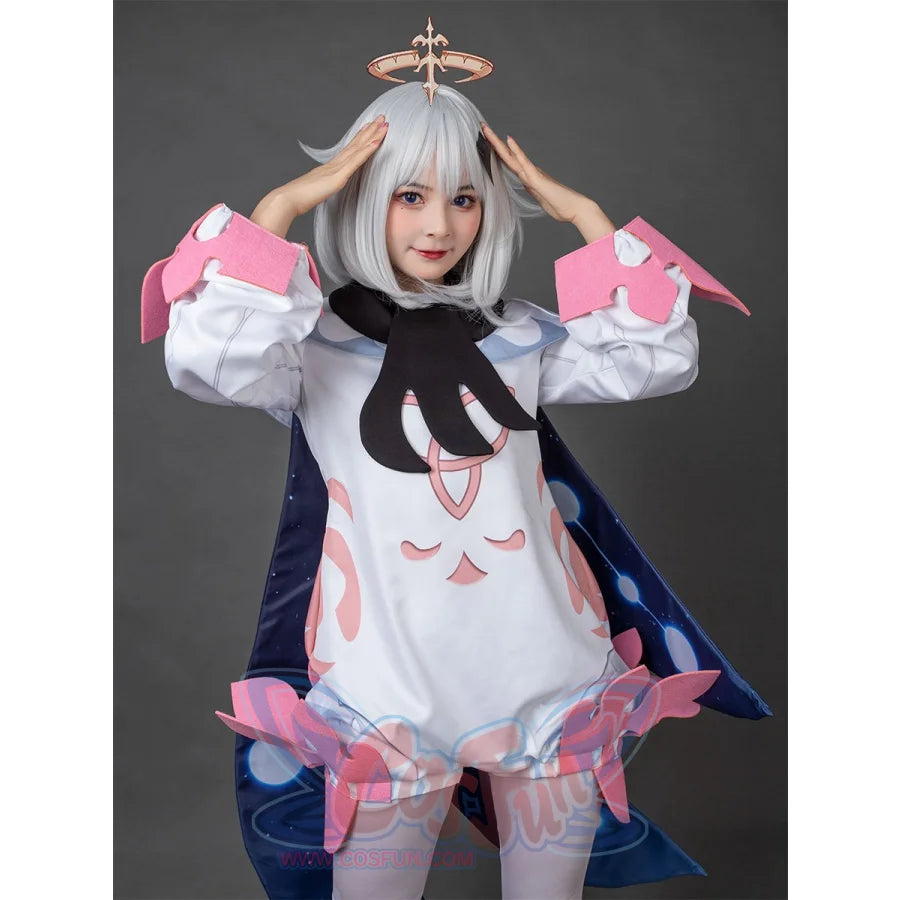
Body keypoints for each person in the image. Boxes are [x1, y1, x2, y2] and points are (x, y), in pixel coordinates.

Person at [142, 79, 762, 900]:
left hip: (549, 676)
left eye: (464, 198)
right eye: (408, 195)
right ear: (358, 195)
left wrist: (587, 219)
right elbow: (207, 361)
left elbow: (654, 360)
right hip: (388, 687)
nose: (439, 226)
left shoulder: (519, 337)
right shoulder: (305, 346)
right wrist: (278, 210)